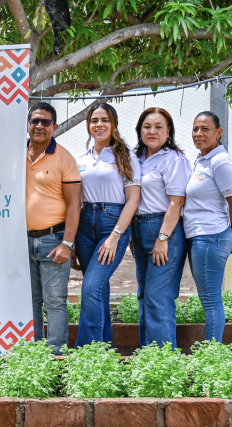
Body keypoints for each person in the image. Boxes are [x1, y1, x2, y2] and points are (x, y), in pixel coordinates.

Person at [73, 103, 139, 346]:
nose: (99, 124)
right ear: (88, 126)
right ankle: (103, 347)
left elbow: (133, 200)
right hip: (84, 224)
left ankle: (87, 350)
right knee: (98, 288)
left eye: (105, 120)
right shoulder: (79, 159)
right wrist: (70, 242)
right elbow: (75, 200)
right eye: (94, 120)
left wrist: (115, 236)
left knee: (91, 287)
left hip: (113, 223)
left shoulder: (126, 156)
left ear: (113, 125)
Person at [131, 107, 191, 348]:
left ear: (169, 131)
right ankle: (149, 355)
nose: (152, 131)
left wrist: (163, 238)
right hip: (138, 228)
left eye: (158, 127)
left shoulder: (174, 159)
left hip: (164, 229)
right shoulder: (135, 158)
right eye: (147, 127)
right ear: (140, 131)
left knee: (159, 296)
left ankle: (163, 360)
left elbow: (177, 202)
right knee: (145, 294)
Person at [25, 101, 82, 353]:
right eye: (35, 121)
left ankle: (57, 356)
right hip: (20, 242)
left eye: (45, 122)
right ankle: (34, 354)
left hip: (53, 241)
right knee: (29, 302)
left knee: (55, 302)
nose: (39, 126)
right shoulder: (15, 155)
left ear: (54, 127)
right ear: (28, 125)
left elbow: (74, 205)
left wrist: (67, 244)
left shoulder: (65, 158)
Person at [183, 112, 232, 342]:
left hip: (211, 236)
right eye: (195, 129)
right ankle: (213, 352)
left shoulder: (221, 162)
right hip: (202, 236)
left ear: (218, 133)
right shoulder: (202, 159)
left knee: (210, 300)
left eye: (205, 129)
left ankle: (212, 355)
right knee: (208, 298)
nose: (199, 134)